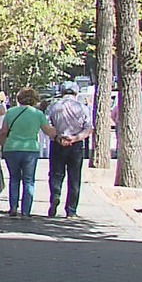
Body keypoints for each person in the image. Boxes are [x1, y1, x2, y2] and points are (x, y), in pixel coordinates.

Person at [0, 86, 59, 218]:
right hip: (30, 150)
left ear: (19, 99)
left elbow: (3, 132)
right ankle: (26, 210)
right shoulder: (38, 114)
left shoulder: (11, 112)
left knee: (14, 179)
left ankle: (13, 207)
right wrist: (60, 131)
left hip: (11, 149)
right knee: (29, 180)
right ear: (35, 100)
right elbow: (49, 131)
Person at [46, 81, 93, 217]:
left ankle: (55, 194)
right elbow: (88, 128)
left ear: (61, 92)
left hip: (57, 143)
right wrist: (75, 138)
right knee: (74, 177)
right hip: (75, 145)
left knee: (56, 173)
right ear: (76, 93)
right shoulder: (82, 108)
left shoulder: (53, 107)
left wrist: (57, 137)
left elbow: (47, 125)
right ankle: (71, 210)